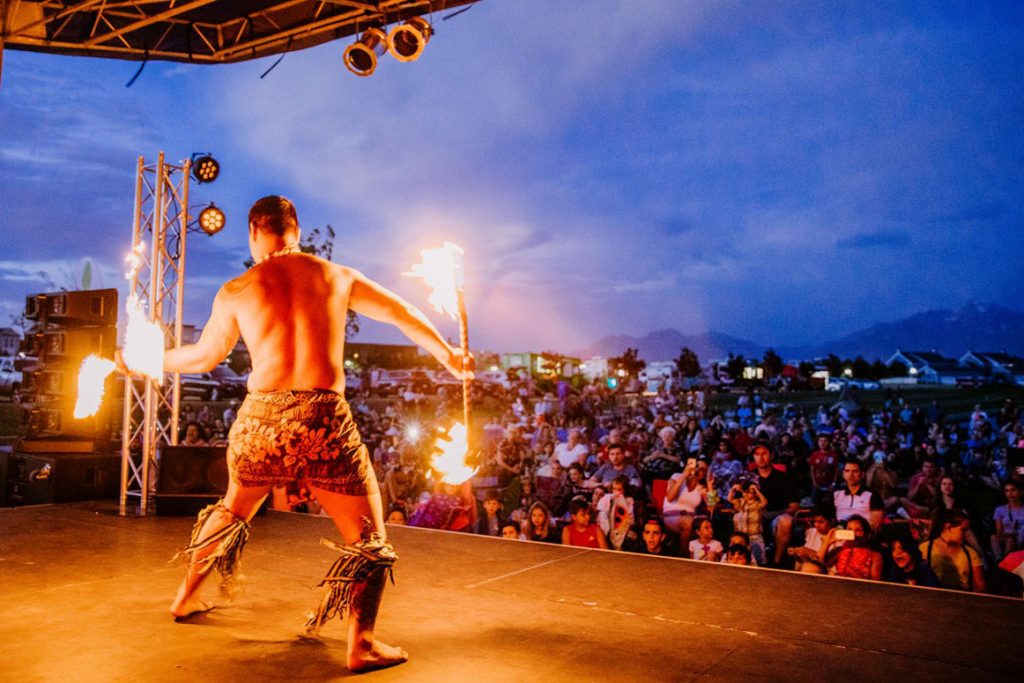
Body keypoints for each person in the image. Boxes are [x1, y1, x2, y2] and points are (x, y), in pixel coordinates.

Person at [117, 195, 472, 672]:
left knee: (231, 511)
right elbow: (402, 314)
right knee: (368, 536)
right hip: (322, 421)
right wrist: (447, 354)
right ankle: (360, 643)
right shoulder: (336, 275)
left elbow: (202, 358)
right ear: (295, 230)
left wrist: (147, 360)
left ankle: (185, 597)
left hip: (260, 421)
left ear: (253, 233)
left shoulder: (237, 288)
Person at [920, 508, 986, 593]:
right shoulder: (925, 549)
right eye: (963, 530)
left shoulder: (970, 553)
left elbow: (980, 586)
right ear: (949, 527)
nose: (966, 534)